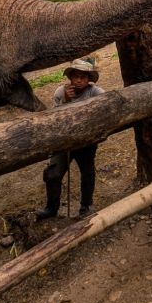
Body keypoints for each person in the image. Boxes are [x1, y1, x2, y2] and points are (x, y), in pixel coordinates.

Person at [36, 57, 105, 220]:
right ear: (70, 78)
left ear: (89, 80)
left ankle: (85, 206)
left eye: (83, 77)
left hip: (86, 142)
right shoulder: (60, 92)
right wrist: (66, 100)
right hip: (64, 142)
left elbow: (106, 107)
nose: (79, 80)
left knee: (87, 172)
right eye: (76, 77)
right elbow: (55, 119)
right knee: (53, 173)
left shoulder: (95, 92)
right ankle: (51, 208)